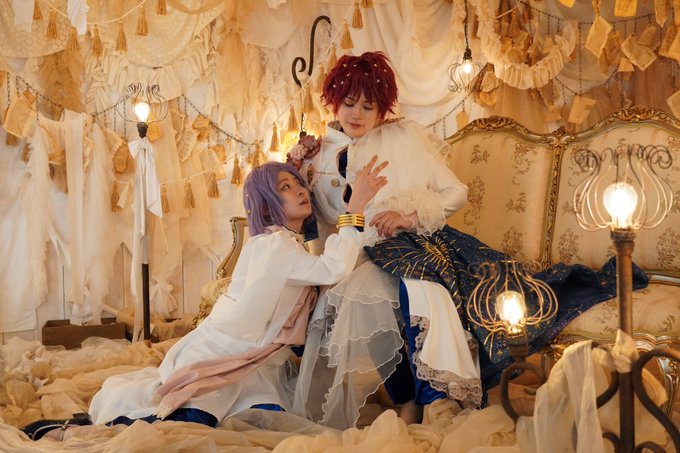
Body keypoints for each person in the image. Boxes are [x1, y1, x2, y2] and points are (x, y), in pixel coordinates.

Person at [291, 51, 648, 430]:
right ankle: (406, 398)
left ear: (383, 109)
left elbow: (455, 192)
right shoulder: (316, 158)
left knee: (420, 290)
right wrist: (321, 265)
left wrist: (408, 217)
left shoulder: (403, 138)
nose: (357, 114)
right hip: (354, 255)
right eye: (349, 103)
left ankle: (437, 397)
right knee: (358, 300)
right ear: (334, 100)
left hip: (414, 245)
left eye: (369, 106)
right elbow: (316, 225)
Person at [20, 159, 388, 441]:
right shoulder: (275, 246)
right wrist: (354, 208)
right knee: (187, 422)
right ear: (266, 205)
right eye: (286, 187)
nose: (299, 190)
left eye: (298, 184)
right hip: (222, 352)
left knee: (262, 417)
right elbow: (332, 268)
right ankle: (73, 430)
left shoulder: (282, 244)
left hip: (250, 360)